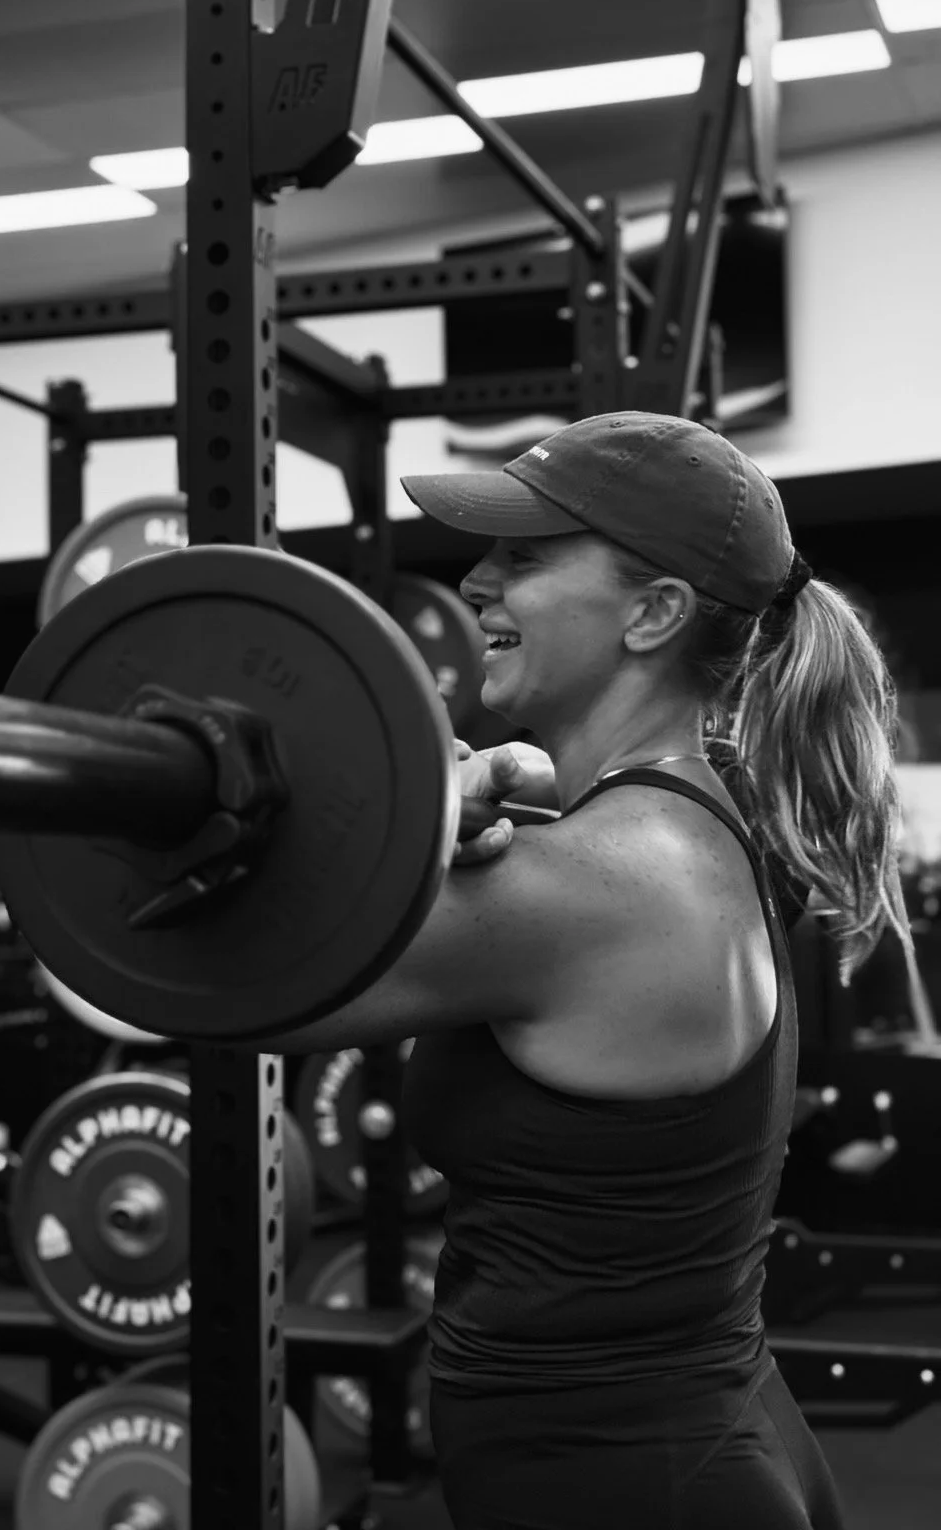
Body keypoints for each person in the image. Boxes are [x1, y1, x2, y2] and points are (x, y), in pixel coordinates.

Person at [274, 412, 912, 1529]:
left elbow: (237, 986)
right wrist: (476, 792)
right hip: (685, 1441)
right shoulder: (688, 818)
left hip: (631, 1481)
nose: (475, 580)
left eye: (524, 557)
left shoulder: (591, 884)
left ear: (655, 610)